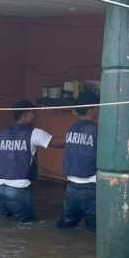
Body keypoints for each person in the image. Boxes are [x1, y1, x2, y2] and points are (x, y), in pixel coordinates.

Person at [57, 92, 99, 232]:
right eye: (97, 107)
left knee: (66, 227)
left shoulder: (73, 127)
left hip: (71, 188)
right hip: (91, 187)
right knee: (94, 230)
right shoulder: (97, 130)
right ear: (92, 109)